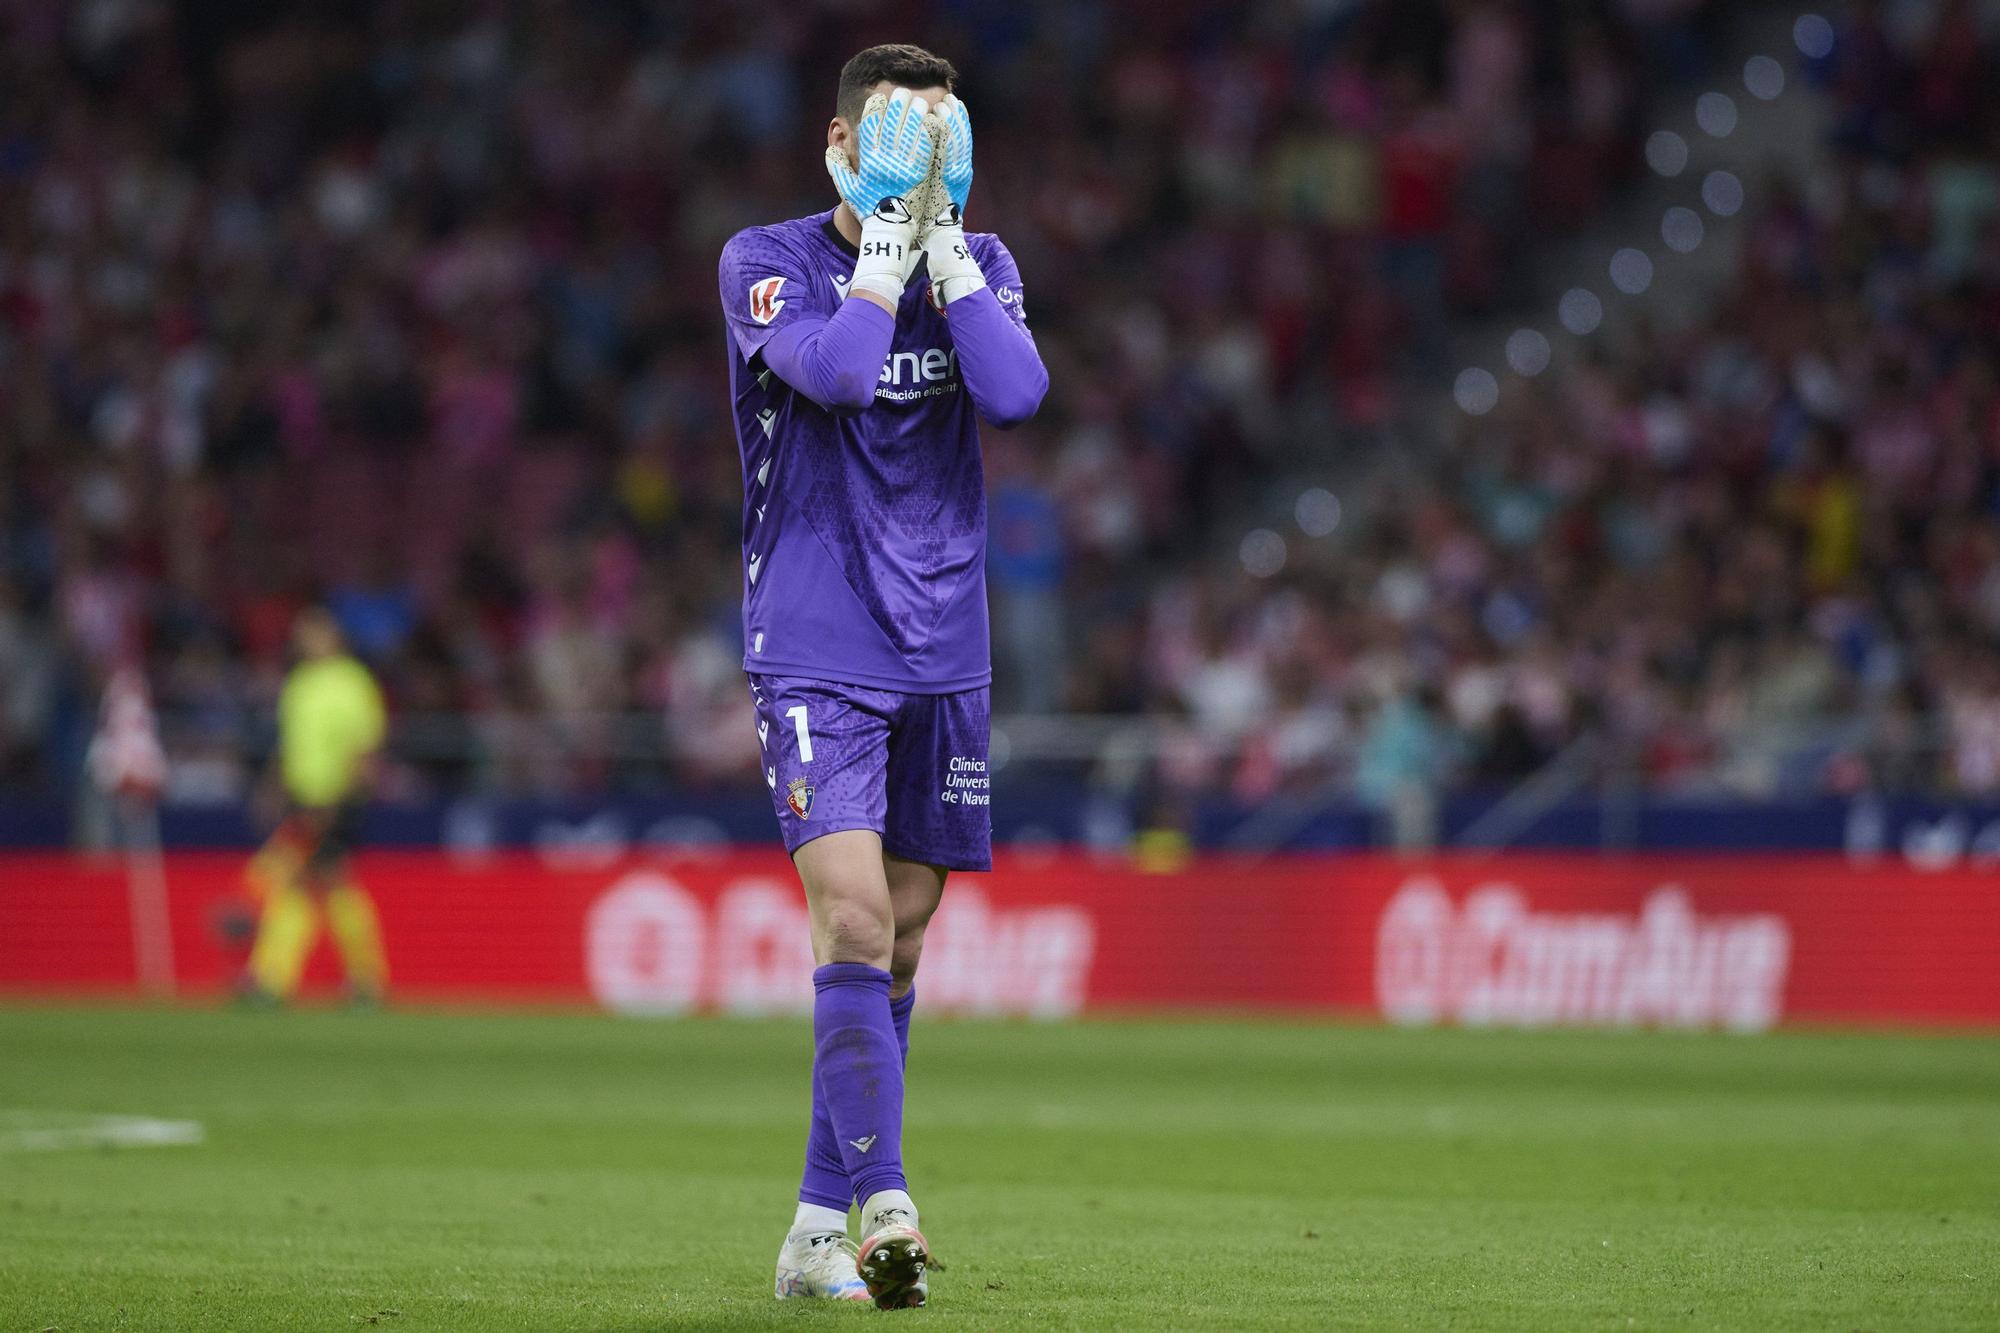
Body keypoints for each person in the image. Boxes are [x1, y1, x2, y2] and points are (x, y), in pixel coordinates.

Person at [716, 43, 1047, 1309]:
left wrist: (948, 246)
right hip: (813, 636)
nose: (925, 168)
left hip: (943, 644)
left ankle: (812, 1225)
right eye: (904, 144)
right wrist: (884, 249)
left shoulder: (986, 265)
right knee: (851, 915)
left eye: (945, 145)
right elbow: (844, 374)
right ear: (840, 147)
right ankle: (886, 1202)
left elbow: (1016, 394)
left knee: (899, 939)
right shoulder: (765, 260)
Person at [239, 608, 390, 1006]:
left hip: (336, 799)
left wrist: (346, 800)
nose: (307, 639)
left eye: (314, 631)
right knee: (319, 884)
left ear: (334, 635)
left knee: (310, 882)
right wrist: (272, 787)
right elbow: (290, 746)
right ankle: (359, 982)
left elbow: (364, 747)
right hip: (302, 798)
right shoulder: (299, 684)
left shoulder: (352, 682)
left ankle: (275, 981)